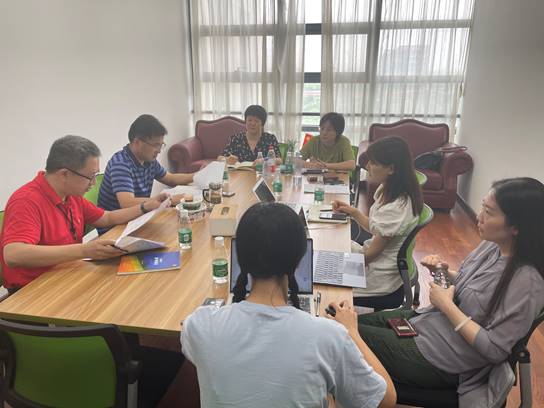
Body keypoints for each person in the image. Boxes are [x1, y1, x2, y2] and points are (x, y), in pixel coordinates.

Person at [180, 202, 396, 408]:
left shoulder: (200, 325)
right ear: (299, 260)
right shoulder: (329, 337)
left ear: (240, 256)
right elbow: (385, 400)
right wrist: (351, 332)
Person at [357, 177, 544, 402]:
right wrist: (442, 271)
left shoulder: (527, 283)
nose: (479, 216)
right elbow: (470, 286)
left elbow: (495, 349)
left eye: (489, 212)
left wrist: (446, 305)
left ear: (516, 227)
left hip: (444, 360)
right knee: (347, 324)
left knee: (344, 335)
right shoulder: (493, 245)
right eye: (482, 206)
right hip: (427, 325)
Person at [0, 135, 168, 293]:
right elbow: (14, 254)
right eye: (90, 176)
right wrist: (84, 251)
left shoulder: (70, 195)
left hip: (66, 274)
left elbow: (106, 218)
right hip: (33, 290)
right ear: (64, 174)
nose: (93, 183)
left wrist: (146, 206)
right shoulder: (27, 201)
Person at [333, 136, 423, 307]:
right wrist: (353, 212)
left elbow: (370, 257)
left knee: (323, 284)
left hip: (379, 277)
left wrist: (339, 270)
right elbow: (377, 229)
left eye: (373, 163)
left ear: (391, 169)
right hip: (373, 261)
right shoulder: (390, 189)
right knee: (330, 249)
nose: (367, 166)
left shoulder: (396, 207)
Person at [98, 114, 193, 216]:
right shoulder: (120, 164)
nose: (159, 151)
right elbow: (127, 203)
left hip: (138, 217)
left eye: (161, 145)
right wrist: (170, 200)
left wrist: (197, 176)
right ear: (137, 142)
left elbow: (170, 178)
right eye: (156, 145)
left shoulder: (149, 161)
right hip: (116, 223)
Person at [218, 105, 282, 166]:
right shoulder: (236, 138)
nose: (252, 123)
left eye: (256, 121)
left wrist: (264, 160)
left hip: (263, 172)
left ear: (262, 124)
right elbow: (220, 158)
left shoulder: (270, 138)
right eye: (249, 120)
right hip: (240, 173)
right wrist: (227, 159)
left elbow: (279, 160)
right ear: (245, 122)